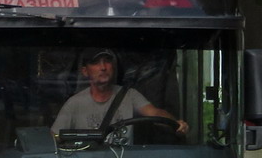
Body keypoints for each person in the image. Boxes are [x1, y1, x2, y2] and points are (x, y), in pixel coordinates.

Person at [51, 49, 188, 138]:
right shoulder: (75, 103)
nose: (103, 67)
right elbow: (54, 137)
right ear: (85, 71)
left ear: (113, 66)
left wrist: (174, 123)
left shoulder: (130, 95)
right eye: (96, 63)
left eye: (107, 61)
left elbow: (155, 113)